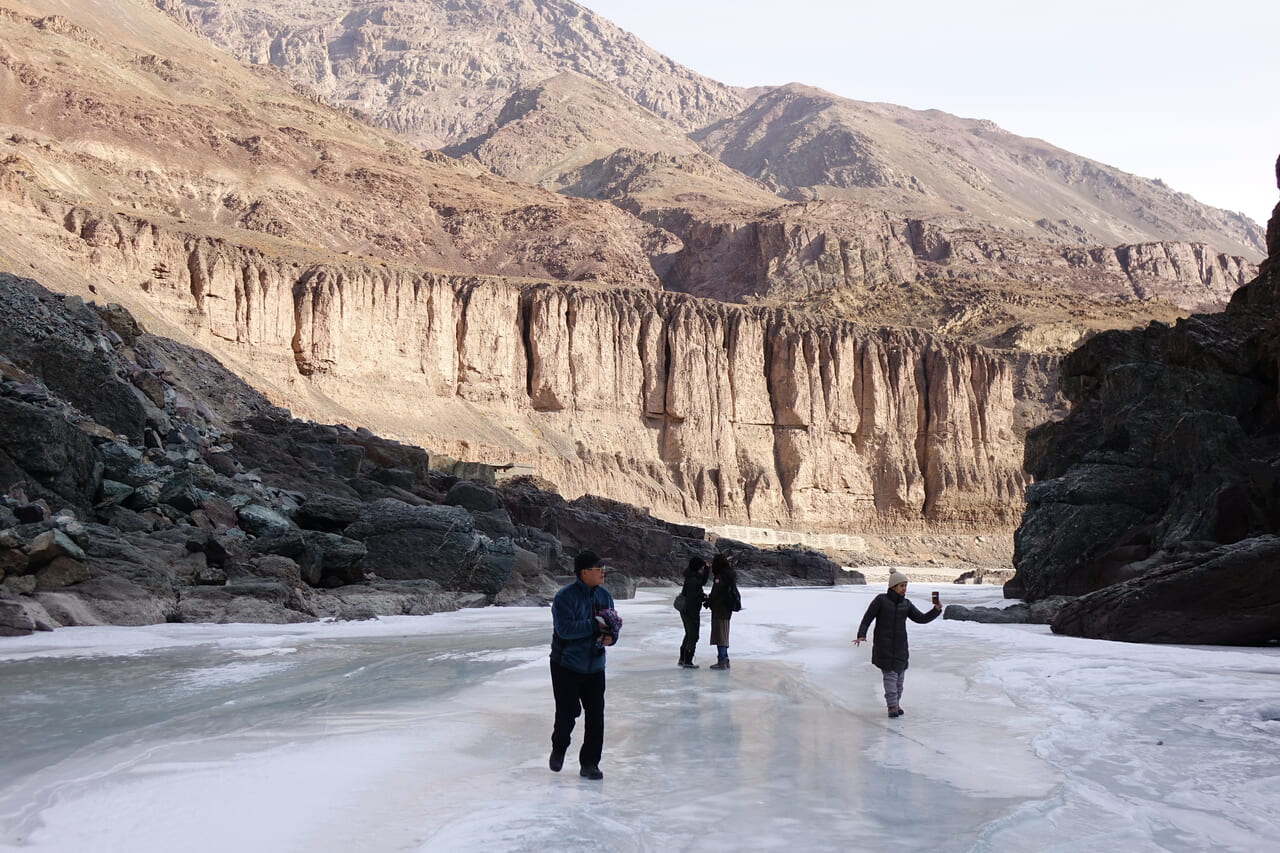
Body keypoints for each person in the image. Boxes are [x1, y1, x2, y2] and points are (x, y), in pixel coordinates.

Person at [549, 550, 620, 780]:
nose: (603, 572)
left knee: (596, 716)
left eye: (603, 568)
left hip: (595, 666)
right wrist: (595, 625)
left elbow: (611, 626)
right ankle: (559, 747)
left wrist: (611, 637)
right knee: (567, 712)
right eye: (598, 568)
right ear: (583, 573)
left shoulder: (605, 596)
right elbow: (564, 630)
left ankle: (590, 763)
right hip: (566, 665)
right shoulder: (564, 597)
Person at [853, 570, 941, 718]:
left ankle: (897, 703)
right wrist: (861, 634)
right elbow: (867, 618)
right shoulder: (881, 600)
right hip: (884, 647)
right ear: (893, 586)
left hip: (901, 648)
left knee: (899, 680)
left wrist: (935, 610)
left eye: (906, 585)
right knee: (890, 677)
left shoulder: (906, 604)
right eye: (902, 585)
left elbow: (921, 618)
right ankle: (892, 706)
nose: (904, 589)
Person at [705, 553, 740, 670]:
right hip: (727, 609)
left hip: (720, 609)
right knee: (723, 633)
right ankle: (725, 659)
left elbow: (715, 593)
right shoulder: (729, 575)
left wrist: (708, 602)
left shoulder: (720, 577)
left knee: (720, 635)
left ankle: (722, 660)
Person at [677, 557, 710, 668]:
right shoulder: (692, 580)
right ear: (697, 568)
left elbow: (702, 581)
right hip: (690, 611)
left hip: (687, 610)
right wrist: (694, 615)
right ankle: (687, 660)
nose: (702, 569)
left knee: (689, 634)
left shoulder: (692, 577)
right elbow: (691, 599)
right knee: (693, 636)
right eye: (701, 567)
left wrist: (707, 568)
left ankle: (683, 659)